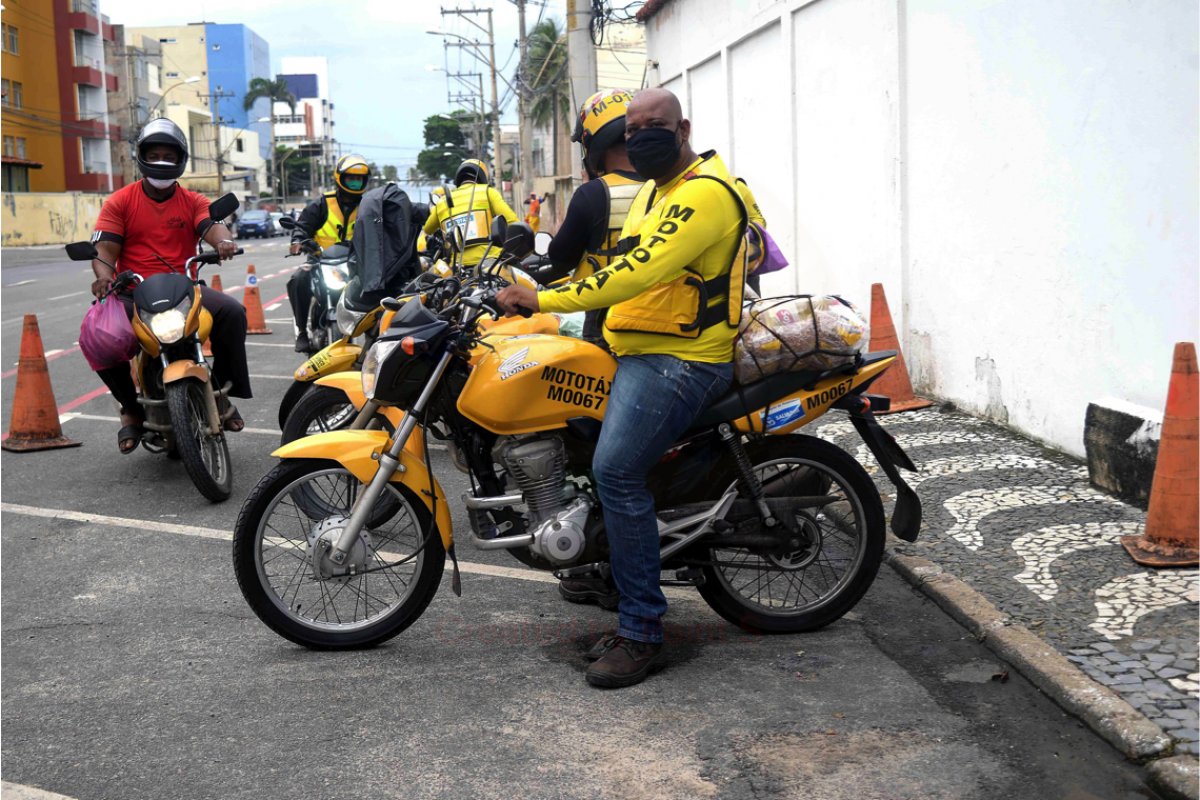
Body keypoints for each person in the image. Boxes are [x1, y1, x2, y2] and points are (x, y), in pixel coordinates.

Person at [497, 87, 751, 689]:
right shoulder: (655, 193)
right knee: (574, 437)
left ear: (683, 129)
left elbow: (637, 273)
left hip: (681, 359)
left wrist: (542, 298)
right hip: (637, 347)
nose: (640, 138)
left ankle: (641, 629)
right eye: (632, 130)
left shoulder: (705, 193)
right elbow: (614, 266)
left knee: (615, 472)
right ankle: (608, 568)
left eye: (654, 126)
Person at [88, 118, 250, 454]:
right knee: (100, 337)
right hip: (133, 293)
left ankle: (220, 394)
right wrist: (104, 276)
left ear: (180, 160)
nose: (161, 161)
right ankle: (130, 408)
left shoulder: (192, 200)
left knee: (233, 312)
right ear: (142, 157)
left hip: (184, 290)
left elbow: (212, 226)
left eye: (169, 156)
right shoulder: (120, 201)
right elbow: (104, 249)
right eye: (154, 155)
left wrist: (224, 242)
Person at [533, 88, 643, 354]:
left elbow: (561, 257)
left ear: (593, 143)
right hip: (667, 318)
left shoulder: (593, 193)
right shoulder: (669, 184)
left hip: (607, 321)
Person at [286, 154, 371, 352]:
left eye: (359, 179)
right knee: (298, 279)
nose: (355, 183)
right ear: (340, 178)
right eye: (351, 178)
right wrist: (298, 240)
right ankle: (302, 331)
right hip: (319, 260)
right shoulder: (323, 203)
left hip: (355, 262)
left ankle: (377, 337)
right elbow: (302, 226)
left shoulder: (368, 205)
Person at [422, 159, 518, 270]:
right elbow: (513, 221)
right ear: (482, 177)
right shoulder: (488, 192)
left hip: (457, 268)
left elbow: (428, 229)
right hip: (491, 263)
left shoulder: (442, 202)